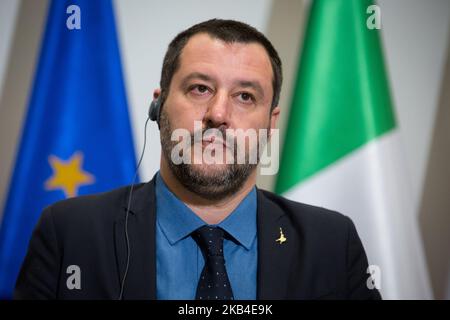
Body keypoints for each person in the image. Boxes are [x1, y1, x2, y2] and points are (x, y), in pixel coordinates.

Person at [14, 19, 381, 300]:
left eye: (245, 96)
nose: (218, 114)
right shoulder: (68, 233)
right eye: (200, 88)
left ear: (271, 123)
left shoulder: (333, 243)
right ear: (158, 105)